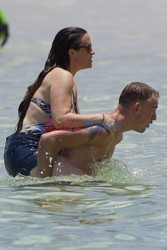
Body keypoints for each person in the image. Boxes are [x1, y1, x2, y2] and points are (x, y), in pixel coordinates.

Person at [4, 27, 112, 177]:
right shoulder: (62, 76)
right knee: (83, 184)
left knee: (87, 182)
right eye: (88, 47)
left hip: (40, 147)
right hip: (27, 148)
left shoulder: (69, 81)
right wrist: (101, 118)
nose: (92, 52)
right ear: (72, 52)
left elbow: (73, 128)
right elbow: (61, 120)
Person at [31, 82, 159, 177]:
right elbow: (49, 139)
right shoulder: (101, 130)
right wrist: (44, 185)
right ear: (137, 108)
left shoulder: (117, 134)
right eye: (153, 108)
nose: (154, 117)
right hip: (35, 160)